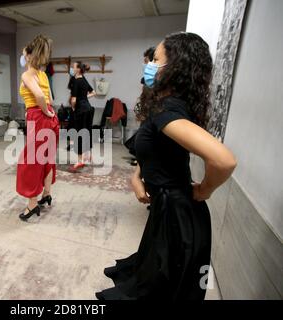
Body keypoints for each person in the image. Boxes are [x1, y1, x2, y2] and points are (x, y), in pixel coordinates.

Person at [96, 32, 237, 300]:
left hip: (179, 218)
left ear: (175, 67)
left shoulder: (169, 112)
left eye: (156, 59)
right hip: (165, 211)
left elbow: (224, 160)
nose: (149, 64)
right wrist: (138, 177)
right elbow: (154, 151)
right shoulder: (164, 107)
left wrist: (204, 189)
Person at [17, 35, 59, 221]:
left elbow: (40, 96)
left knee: (31, 162)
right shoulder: (43, 74)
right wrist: (49, 112)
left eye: (23, 53)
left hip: (40, 116)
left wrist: (41, 111)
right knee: (46, 157)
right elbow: (49, 96)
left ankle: (32, 205)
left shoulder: (27, 74)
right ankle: (46, 193)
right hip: (48, 116)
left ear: (28, 56)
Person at [69, 61, 96, 171]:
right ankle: (89, 156)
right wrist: (84, 98)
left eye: (73, 67)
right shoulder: (84, 79)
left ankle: (80, 160)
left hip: (80, 110)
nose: (72, 68)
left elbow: (74, 99)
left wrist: (73, 106)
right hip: (89, 109)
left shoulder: (76, 81)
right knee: (87, 132)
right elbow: (94, 92)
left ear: (78, 69)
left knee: (79, 133)